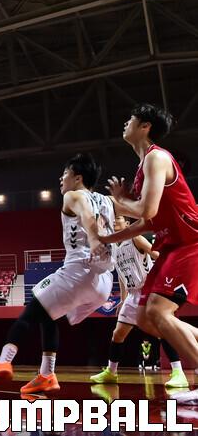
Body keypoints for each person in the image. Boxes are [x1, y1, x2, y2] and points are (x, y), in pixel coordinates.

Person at [0, 154, 115, 394]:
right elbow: (141, 209)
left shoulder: (73, 195)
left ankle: (3, 361)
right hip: (104, 282)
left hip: (79, 272)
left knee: (30, 312)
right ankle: (47, 375)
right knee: (48, 315)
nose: (61, 178)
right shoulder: (108, 201)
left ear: (78, 178)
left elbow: (87, 215)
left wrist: (92, 238)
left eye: (65, 173)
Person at [97, 104, 198, 402]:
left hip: (189, 243)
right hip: (170, 246)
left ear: (145, 127)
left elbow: (146, 210)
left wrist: (117, 202)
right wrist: (107, 237)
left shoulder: (157, 157)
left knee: (158, 312)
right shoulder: (143, 167)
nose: (125, 123)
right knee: (144, 317)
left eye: (130, 119)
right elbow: (146, 222)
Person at [90, 215, 187, 387]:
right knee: (118, 334)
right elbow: (121, 276)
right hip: (133, 294)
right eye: (113, 219)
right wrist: (122, 299)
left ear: (127, 224)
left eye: (119, 218)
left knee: (162, 330)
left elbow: (157, 255)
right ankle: (111, 372)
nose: (114, 221)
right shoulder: (113, 247)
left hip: (149, 291)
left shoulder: (136, 238)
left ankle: (179, 372)